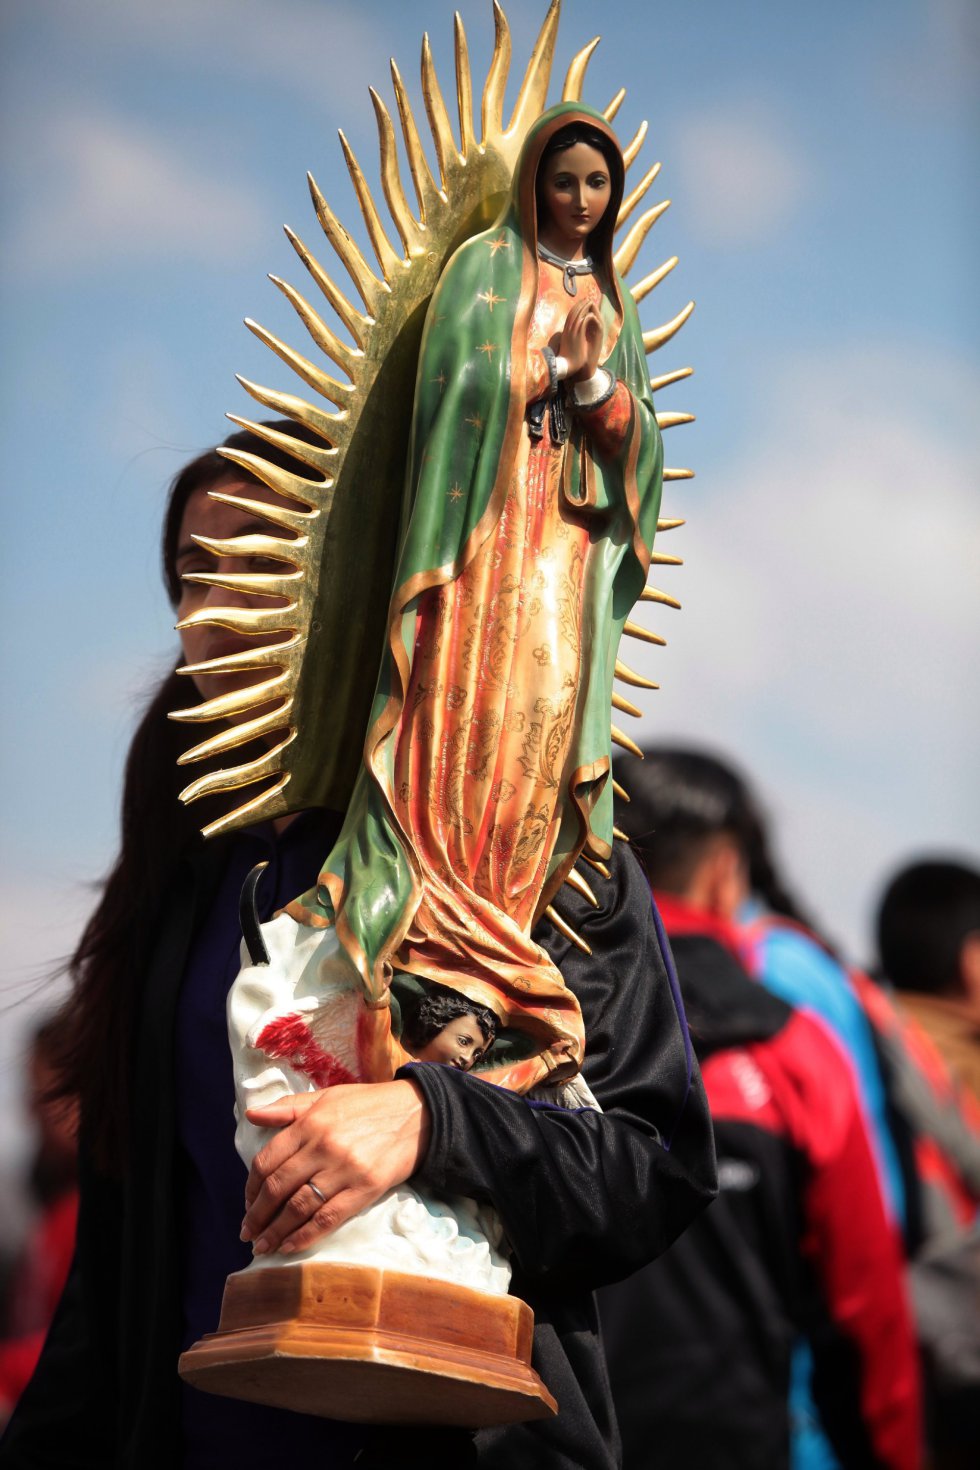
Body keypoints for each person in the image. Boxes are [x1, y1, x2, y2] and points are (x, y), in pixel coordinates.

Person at [1, 413, 713, 1470]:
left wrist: (431, 1119)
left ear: (380, 583)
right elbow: (123, 1264)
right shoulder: (191, 870)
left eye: (268, 569)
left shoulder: (530, 847)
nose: (218, 612)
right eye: (196, 576)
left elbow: (650, 1169)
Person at [283, 103, 664, 1102]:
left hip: (559, 559)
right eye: (563, 180)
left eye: (596, 185)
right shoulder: (484, 275)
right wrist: (544, 368)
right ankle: (430, 924)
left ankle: (493, 930)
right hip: (478, 548)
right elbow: (452, 386)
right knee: (454, 722)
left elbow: (643, 458)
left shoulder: (609, 308)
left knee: (530, 739)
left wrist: (594, 387)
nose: (579, 202)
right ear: (532, 181)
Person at [598, 746, 923, 1470]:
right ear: (723, 872)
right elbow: (866, 1306)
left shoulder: (524, 1018)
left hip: (534, 1438)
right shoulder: (794, 1051)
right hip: (731, 1435)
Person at [399, 982, 499, 1071]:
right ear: (435, 1022)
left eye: (477, 1055)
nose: (468, 1058)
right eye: (463, 1042)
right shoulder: (393, 1056)